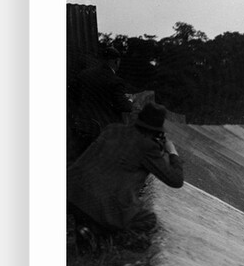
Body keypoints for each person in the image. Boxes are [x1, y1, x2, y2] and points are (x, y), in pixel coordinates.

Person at [67, 102, 184, 251]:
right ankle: (103, 236)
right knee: (148, 220)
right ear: (156, 130)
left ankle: (89, 231)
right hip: (101, 205)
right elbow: (176, 180)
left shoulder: (112, 129)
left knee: (94, 204)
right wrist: (172, 152)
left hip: (71, 191)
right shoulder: (148, 147)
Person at [67, 46, 138, 163]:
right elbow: (123, 106)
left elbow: (70, 97)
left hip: (82, 125)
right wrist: (130, 101)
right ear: (116, 61)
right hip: (105, 130)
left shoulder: (83, 75)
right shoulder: (116, 81)